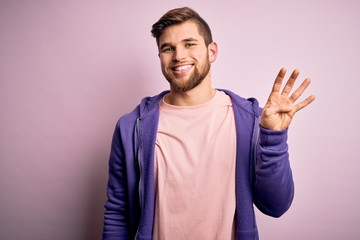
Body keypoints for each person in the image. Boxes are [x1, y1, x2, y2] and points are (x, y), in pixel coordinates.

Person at [102, 7, 315, 240]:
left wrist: (273, 137)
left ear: (212, 51)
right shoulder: (132, 127)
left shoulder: (250, 120)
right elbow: (117, 212)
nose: (178, 56)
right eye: (168, 48)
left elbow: (276, 206)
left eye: (189, 44)